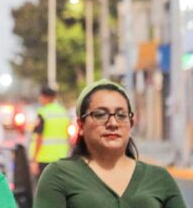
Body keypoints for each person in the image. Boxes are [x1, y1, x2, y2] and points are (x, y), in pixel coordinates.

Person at [33, 79, 185, 207]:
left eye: (121, 115)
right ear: (80, 125)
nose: (113, 123)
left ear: (131, 123)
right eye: (100, 114)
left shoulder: (159, 177)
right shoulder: (58, 176)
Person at [29, 86, 70, 178]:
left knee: (43, 189)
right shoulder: (63, 112)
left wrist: (34, 160)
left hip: (44, 159)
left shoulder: (43, 113)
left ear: (45, 97)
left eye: (41, 96)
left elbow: (39, 138)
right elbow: (68, 136)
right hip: (61, 158)